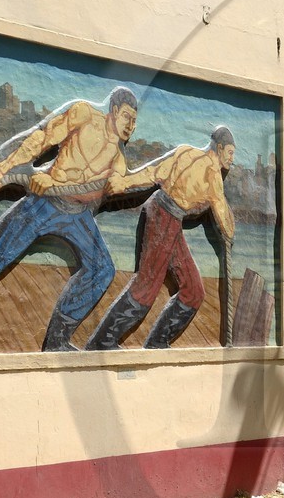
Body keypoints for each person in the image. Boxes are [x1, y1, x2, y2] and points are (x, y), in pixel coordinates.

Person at [0, 86, 139, 355]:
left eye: (135, 121)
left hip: (78, 218)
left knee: (102, 270)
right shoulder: (84, 114)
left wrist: (117, 184)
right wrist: (3, 167)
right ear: (113, 111)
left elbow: (112, 185)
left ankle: (57, 340)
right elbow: (40, 138)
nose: (130, 125)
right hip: (42, 205)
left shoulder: (118, 158)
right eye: (127, 116)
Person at [88, 127, 238, 349]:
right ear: (219, 147)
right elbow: (225, 222)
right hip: (164, 217)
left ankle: (157, 341)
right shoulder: (213, 175)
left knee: (193, 290)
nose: (232, 159)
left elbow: (154, 171)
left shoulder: (185, 152)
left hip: (167, 217)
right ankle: (102, 341)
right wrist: (229, 229)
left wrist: (126, 183)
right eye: (230, 153)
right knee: (146, 286)